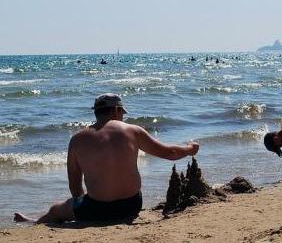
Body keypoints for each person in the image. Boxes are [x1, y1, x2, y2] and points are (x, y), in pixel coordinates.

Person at [14, 93, 199, 224]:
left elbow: (74, 185)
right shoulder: (132, 131)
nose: (123, 118)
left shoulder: (77, 139)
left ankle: (35, 221)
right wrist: (190, 149)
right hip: (131, 205)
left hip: (96, 209)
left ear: (96, 112)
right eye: (122, 113)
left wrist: (80, 205)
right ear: (117, 110)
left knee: (56, 210)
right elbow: (170, 153)